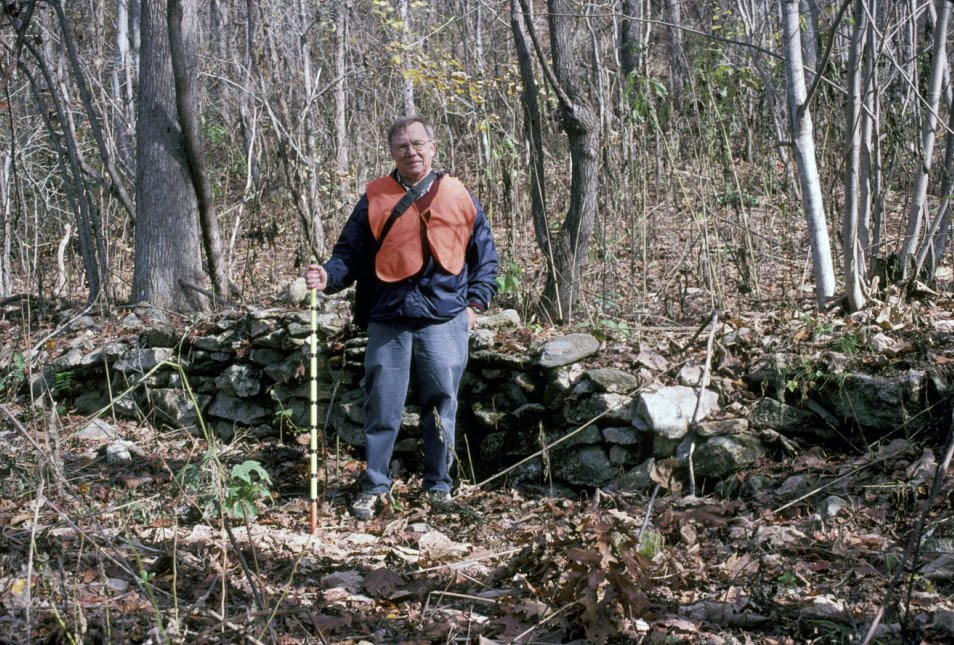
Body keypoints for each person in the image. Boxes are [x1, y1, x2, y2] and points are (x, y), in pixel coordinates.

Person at [304, 115, 498, 520]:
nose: (411, 152)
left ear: (432, 147)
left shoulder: (458, 194)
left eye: (417, 144)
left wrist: (475, 305)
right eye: (401, 146)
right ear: (392, 153)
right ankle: (375, 485)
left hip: (445, 317)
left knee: (442, 403)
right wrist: (328, 275)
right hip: (389, 316)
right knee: (382, 405)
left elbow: (485, 255)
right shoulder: (375, 196)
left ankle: (439, 485)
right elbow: (349, 254)